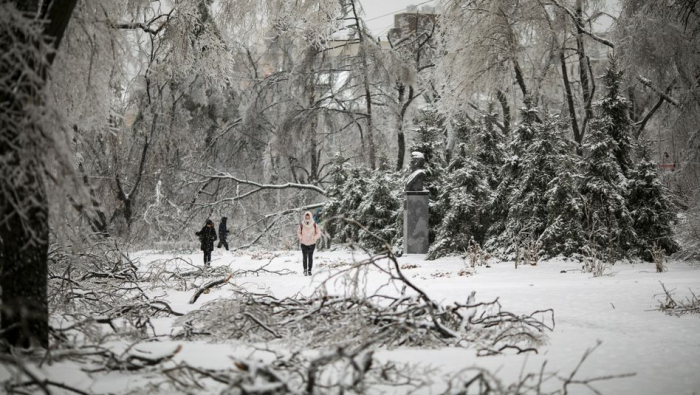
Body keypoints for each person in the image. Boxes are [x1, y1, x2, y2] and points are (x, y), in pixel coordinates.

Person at [297, 211, 321, 276]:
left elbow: (318, 233)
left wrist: (314, 237)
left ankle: (309, 270)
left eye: (308, 216)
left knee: (310, 257)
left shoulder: (314, 224)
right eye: (306, 216)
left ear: (310, 216)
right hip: (303, 243)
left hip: (312, 243)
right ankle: (305, 270)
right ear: (304, 217)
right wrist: (301, 237)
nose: (307, 217)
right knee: (304, 257)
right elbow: (298, 232)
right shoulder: (301, 224)